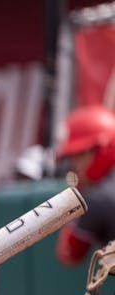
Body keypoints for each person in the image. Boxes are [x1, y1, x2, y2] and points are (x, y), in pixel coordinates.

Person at [55, 106, 115, 264]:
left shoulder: (97, 199)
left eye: (80, 155)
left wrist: (78, 192)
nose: (75, 166)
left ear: (104, 149)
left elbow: (69, 254)